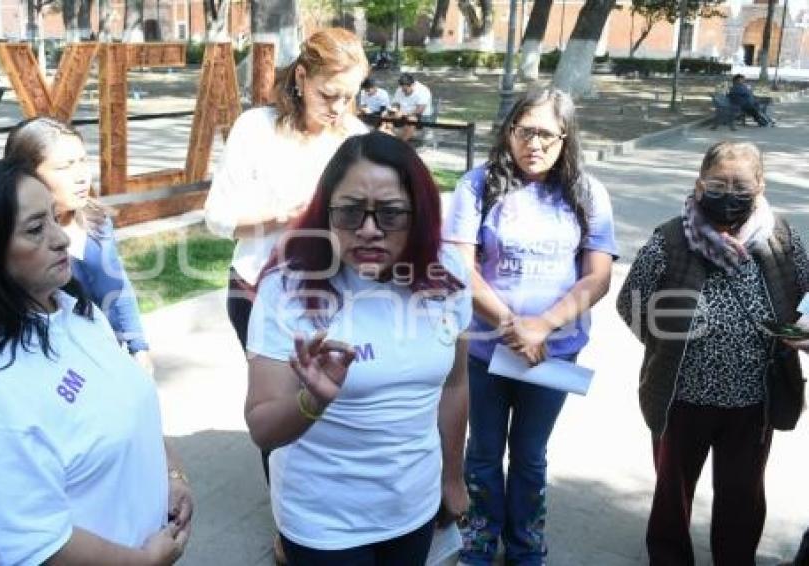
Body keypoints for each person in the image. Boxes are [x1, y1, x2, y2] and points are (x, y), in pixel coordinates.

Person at [245, 132, 471, 565]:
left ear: (419, 215)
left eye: (390, 214)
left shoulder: (447, 275)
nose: (368, 230)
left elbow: (456, 386)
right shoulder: (289, 288)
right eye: (350, 212)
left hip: (414, 508)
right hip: (324, 522)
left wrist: (453, 477)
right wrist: (312, 401)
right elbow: (262, 428)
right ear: (326, 214)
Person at [0, 160, 193, 565]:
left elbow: (131, 407)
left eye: (54, 216)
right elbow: (41, 546)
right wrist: (146, 562)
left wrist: (173, 475)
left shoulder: (74, 312)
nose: (62, 238)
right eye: (35, 229)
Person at [443, 88, 617, 565]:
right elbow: (460, 267)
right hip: (482, 351)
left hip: (553, 356)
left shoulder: (586, 192)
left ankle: (525, 545)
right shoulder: (477, 186)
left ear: (565, 138)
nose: (533, 144)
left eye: (545, 134)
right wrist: (510, 324)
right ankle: (479, 539)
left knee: (530, 455)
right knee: (481, 451)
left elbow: (598, 275)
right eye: (524, 131)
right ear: (509, 132)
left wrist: (542, 326)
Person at [616, 140, 808, 565]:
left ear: (760, 184)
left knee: (743, 494)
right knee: (673, 493)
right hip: (681, 394)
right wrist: (666, 344)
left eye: (740, 183)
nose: (729, 193)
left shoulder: (781, 237)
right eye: (718, 182)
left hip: (752, 398)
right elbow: (630, 300)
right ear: (699, 184)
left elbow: (808, 293)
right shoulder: (671, 237)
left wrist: (804, 328)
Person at [205, 26, 368, 355]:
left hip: (333, 292)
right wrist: (285, 218)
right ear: (302, 77)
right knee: (274, 400)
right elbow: (217, 217)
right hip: (257, 286)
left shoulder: (353, 136)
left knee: (331, 397)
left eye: (347, 98)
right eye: (328, 94)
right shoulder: (255, 128)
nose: (337, 108)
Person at [4, 116, 155, 376]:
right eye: (65, 167)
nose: (82, 176)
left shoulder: (97, 220)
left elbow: (119, 286)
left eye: (83, 161)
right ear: (27, 175)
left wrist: (137, 345)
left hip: (107, 358)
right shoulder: (12, 243)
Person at [392, 73, 433, 142]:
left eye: (405, 90)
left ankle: (402, 143)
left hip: (421, 116)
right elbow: (396, 103)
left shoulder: (422, 91)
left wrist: (403, 114)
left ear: (412, 85)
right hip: (403, 114)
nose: (403, 91)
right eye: (402, 89)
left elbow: (419, 110)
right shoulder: (400, 89)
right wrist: (395, 110)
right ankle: (387, 140)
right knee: (386, 115)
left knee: (411, 120)